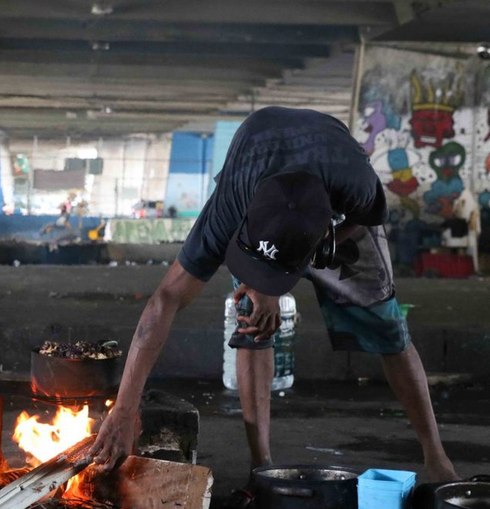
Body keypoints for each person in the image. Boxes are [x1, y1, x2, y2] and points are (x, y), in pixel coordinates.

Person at [89, 107, 459, 500]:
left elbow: (362, 219)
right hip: (260, 165)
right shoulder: (229, 207)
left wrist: (295, 268)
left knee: (387, 326)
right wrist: (125, 409)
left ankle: (436, 456)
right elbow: (165, 299)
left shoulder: (357, 184)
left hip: (331, 204)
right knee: (251, 318)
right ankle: (262, 466)